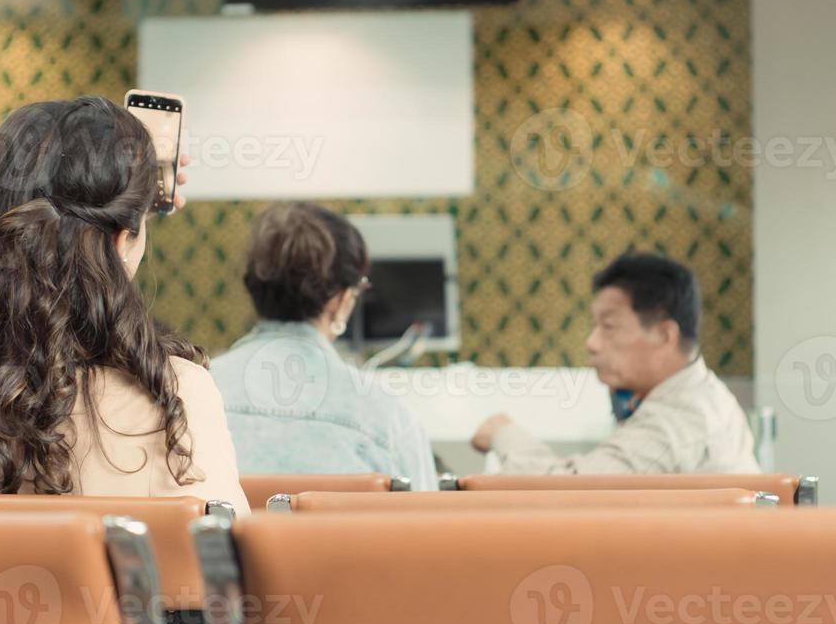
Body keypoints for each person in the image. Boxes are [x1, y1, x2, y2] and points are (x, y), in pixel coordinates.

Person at [0, 95, 250, 514]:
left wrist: (121, 198)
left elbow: (58, 230)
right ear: (122, 241)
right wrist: (128, 193)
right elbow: (222, 545)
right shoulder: (178, 390)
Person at [211, 202, 439, 491]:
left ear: (251, 286)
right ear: (341, 300)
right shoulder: (389, 418)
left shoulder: (189, 396)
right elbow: (422, 527)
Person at [471, 253, 759, 474]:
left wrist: (503, 433)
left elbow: (571, 493)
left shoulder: (677, 422)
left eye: (608, 326)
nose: (592, 343)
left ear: (664, 335)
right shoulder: (702, 395)